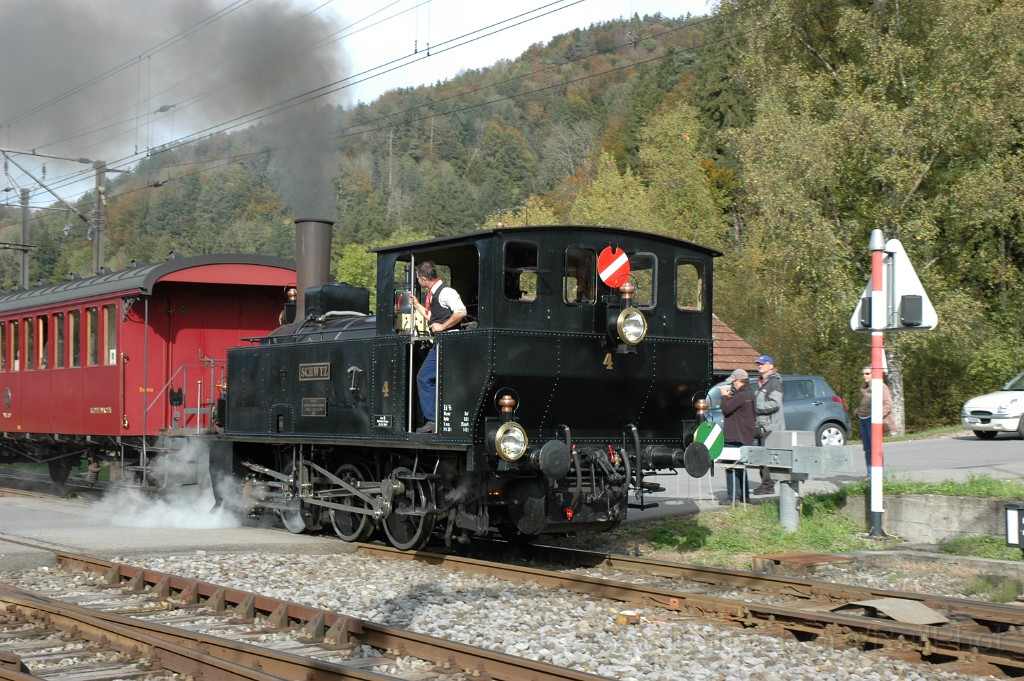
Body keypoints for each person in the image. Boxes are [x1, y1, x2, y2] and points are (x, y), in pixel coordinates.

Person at [411, 261, 466, 433]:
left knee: (424, 377)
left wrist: (442, 327)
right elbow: (432, 316)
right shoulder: (433, 295)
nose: (418, 281)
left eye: (418, 279)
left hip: (448, 342)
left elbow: (461, 312)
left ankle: (433, 420)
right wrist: (417, 305)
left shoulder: (446, 293)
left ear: (424, 279)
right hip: (442, 343)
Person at [719, 368, 756, 504]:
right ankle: (744, 496)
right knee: (741, 467)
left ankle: (732, 497)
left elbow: (726, 409)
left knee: (730, 467)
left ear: (739, 381)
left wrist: (724, 396)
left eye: (733, 382)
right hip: (745, 435)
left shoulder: (741, 395)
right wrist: (730, 398)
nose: (732, 384)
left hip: (734, 436)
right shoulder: (750, 394)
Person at [752, 354, 785, 495]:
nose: (760, 365)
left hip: (771, 426)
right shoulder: (760, 382)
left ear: (771, 366)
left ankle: (768, 486)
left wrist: (755, 407)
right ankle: (766, 484)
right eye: (759, 364)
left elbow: (774, 404)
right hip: (761, 425)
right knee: (762, 456)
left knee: (767, 457)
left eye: (763, 363)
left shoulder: (774, 382)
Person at [854, 365, 894, 475]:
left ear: (873, 374)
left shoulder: (881, 386)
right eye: (863, 373)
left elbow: (888, 404)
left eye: (867, 373)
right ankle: (870, 474)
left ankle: (878, 475)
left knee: (875, 448)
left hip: (872, 420)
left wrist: (877, 415)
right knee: (867, 449)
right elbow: (862, 404)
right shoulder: (864, 388)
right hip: (863, 420)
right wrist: (857, 412)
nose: (864, 376)